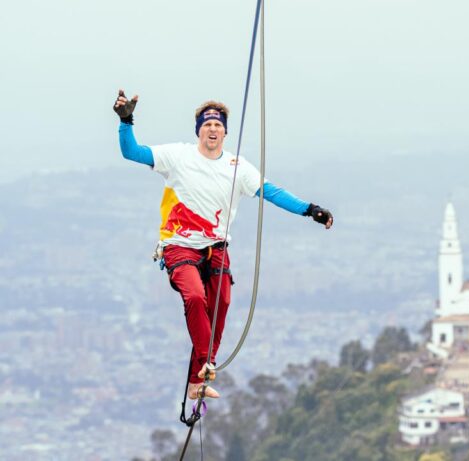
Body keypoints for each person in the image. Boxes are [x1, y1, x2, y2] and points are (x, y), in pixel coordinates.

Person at [113, 90, 333, 399]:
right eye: (207, 125)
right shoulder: (178, 156)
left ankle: (197, 381)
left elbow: (272, 192)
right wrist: (126, 121)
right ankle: (205, 366)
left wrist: (310, 210)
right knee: (194, 296)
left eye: (218, 125)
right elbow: (131, 152)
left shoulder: (237, 167)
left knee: (221, 305)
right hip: (180, 245)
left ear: (225, 132)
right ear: (198, 131)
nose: (213, 129)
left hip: (216, 248)